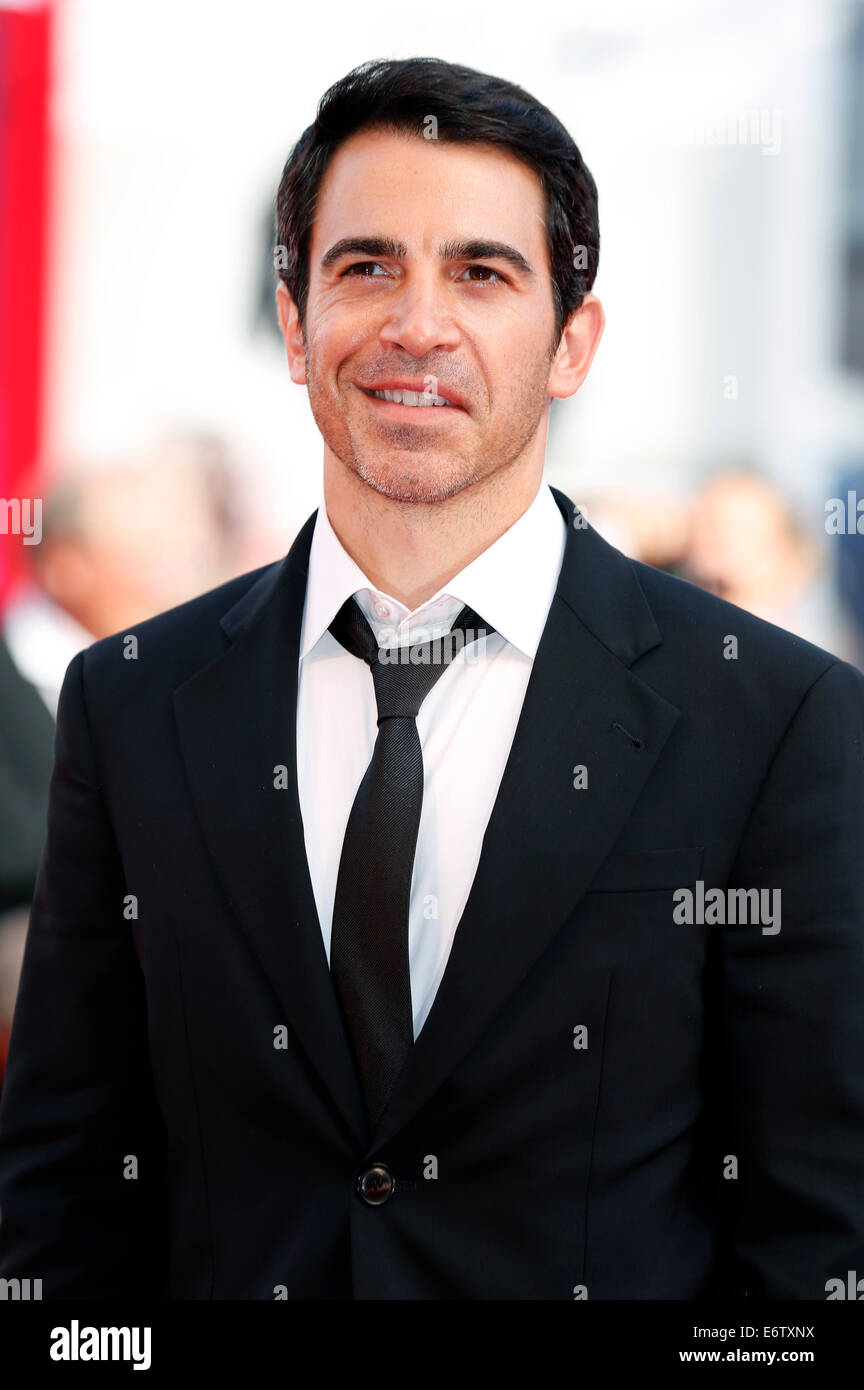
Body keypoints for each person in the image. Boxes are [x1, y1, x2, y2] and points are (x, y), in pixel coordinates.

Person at [1, 56, 862, 1302]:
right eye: (366, 267)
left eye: (481, 272)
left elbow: (816, 1231)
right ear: (295, 323)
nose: (418, 324)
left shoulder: (770, 717)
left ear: (572, 342)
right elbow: (65, 1194)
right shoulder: (131, 703)